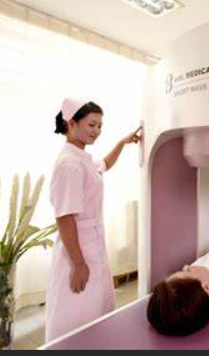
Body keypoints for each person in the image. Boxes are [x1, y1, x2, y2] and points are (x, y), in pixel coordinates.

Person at [45, 97, 142, 342]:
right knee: (78, 315)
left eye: (100, 126)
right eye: (91, 125)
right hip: (78, 249)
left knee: (94, 311)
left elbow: (104, 165)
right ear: (71, 123)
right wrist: (78, 264)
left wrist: (122, 142)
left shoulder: (80, 158)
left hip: (91, 244)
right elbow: (65, 217)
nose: (97, 131)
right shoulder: (69, 164)